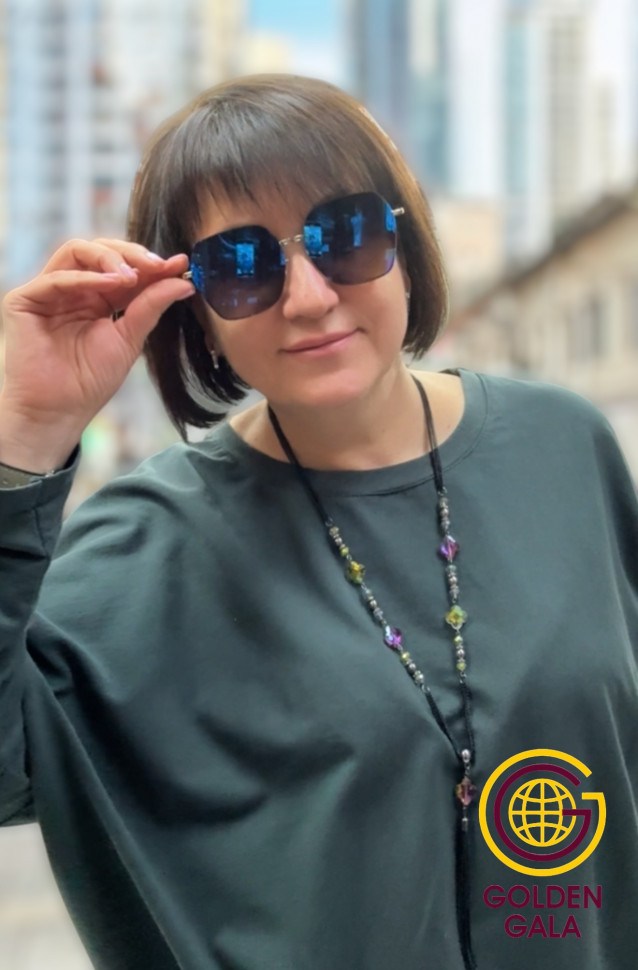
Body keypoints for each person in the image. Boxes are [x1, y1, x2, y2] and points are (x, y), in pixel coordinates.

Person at [0, 74, 636, 970]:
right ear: (194, 310)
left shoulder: (563, 444)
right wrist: (23, 435)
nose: (306, 295)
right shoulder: (149, 545)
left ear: (402, 241)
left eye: (344, 235)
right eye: (241, 266)